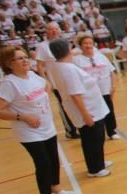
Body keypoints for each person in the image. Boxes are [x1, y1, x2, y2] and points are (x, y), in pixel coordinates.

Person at [0, 46, 74, 194]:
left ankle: (56, 188)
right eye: (20, 58)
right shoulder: (9, 83)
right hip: (29, 132)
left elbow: (47, 84)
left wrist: (44, 96)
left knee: (53, 159)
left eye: (26, 57)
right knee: (42, 163)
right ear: (9, 63)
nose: (25, 60)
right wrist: (23, 116)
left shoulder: (32, 76)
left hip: (47, 126)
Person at [48, 39, 111, 178]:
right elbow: (76, 94)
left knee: (94, 138)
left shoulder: (58, 65)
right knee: (93, 138)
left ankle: (98, 162)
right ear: (68, 50)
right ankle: (95, 169)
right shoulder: (68, 69)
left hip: (91, 106)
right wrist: (86, 114)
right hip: (88, 109)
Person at [34, 22, 79, 139]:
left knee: (76, 102)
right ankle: (70, 131)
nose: (54, 31)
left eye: (56, 29)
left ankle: (79, 124)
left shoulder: (65, 43)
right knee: (64, 105)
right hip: (56, 83)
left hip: (70, 79)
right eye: (51, 29)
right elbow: (40, 66)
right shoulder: (42, 46)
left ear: (59, 31)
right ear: (47, 32)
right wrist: (45, 81)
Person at [74, 32, 119, 140]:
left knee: (109, 110)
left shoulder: (101, 57)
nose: (88, 45)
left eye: (90, 43)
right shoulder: (77, 60)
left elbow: (112, 72)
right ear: (80, 45)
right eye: (85, 43)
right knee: (95, 113)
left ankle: (111, 131)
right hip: (90, 94)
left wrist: (113, 86)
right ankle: (98, 133)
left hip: (105, 90)